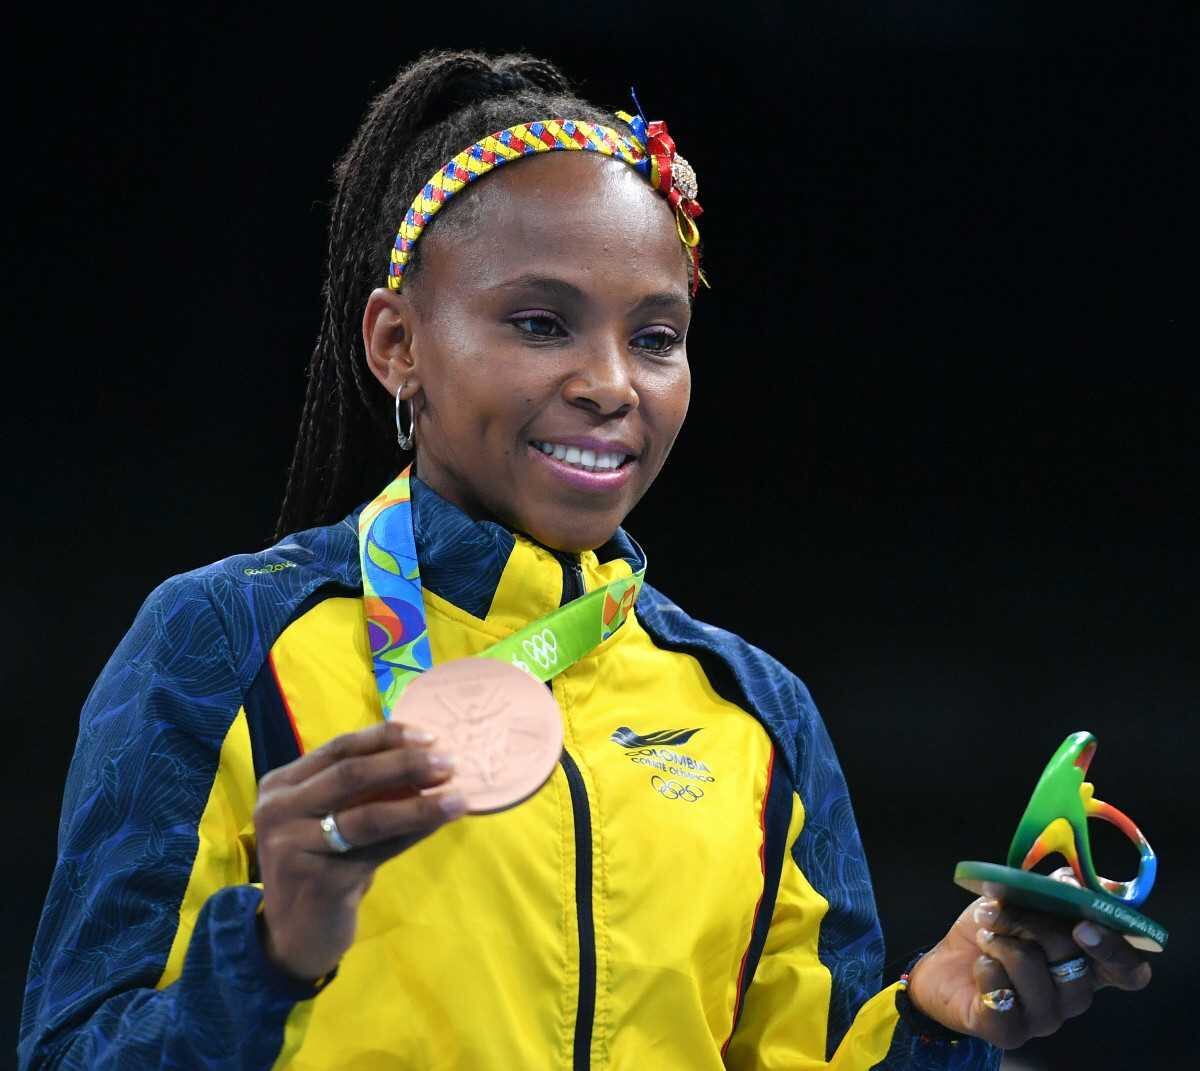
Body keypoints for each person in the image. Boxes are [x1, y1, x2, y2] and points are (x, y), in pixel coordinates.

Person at [19, 49, 1151, 1070]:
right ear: (397, 342)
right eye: (540, 323)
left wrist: (942, 1023)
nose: (612, 383)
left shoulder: (755, 715)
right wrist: (267, 954)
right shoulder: (227, 643)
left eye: (655, 338)